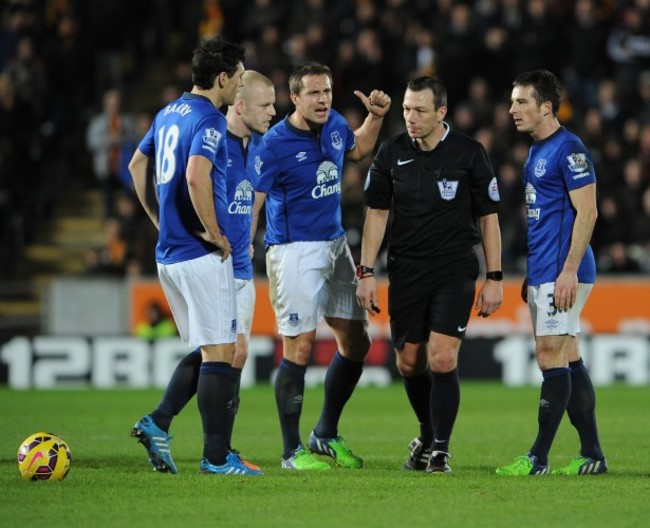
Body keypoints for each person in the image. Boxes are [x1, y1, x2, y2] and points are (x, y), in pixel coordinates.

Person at [129, 70, 277, 474]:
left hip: (234, 259)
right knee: (225, 351)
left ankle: (167, 425)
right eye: (266, 105)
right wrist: (181, 226)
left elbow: (251, 196)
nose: (273, 112)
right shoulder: (209, 133)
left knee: (221, 350)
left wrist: (245, 231)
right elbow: (174, 174)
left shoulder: (261, 143)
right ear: (239, 102)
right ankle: (216, 453)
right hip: (213, 258)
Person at [356, 76, 503, 474]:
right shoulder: (392, 152)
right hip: (406, 270)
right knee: (409, 363)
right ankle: (426, 431)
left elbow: (489, 218)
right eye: (406, 109)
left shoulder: (470, 153)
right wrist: (366, 271)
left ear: (441, 113)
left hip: (454, 269)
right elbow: (377, 214)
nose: (410, 117)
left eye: (420, 110)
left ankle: (440, 448)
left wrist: (495, 277)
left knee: (441, 358)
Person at [252, 61, 391, 470]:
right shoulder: (274, 143)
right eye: (314, 93)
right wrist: (244, 245)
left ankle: (324, 433)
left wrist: (375, 118)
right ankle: (291, 451)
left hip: (333, 245)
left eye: (327, 91)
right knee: (301, 345)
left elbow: (359, 147)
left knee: (357, 341)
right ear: (293, 98)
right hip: (294, 251)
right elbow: (256, 201)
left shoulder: (333, 124)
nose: (323, 99)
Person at [496, 70, 607, 476]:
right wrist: (535, 270)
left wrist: (568, 272)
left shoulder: (569, 149)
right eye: (512, 102)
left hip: (566, 272)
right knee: (568, 356)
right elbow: (544, 220)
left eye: (521, 102)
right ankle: (592, 454)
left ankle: (538, 457)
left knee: (548, 356)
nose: (512, 110)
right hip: (546, 270)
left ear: (545, 107)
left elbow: (588, 212)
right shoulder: (535, 151)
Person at [86, 88, 139, 218]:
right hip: (106, 167)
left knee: (128, 200)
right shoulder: (97, 122)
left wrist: (120, 139)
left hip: (124, 168)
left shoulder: (127, 121)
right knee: (108, 201)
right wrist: (107, 141)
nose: (113, 107)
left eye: (116, 103)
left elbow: (137, 139)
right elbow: (91, 142)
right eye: (111, 104)